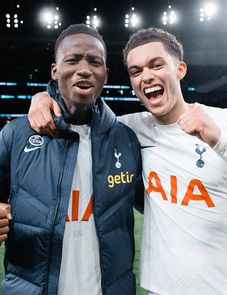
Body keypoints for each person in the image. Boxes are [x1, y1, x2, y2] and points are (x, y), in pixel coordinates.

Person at [26, 26, 227, 295]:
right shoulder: (131, 130)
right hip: (158, 289)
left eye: (156, 65)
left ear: (180, 69)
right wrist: (43, 97)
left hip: (222, 288)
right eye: (136, 71)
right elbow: (82, 115)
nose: (146, 76)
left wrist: (218, 139)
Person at [0, 24, 144, 295]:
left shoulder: (126, 139)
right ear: (55, 71)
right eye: (73, 59)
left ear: (105, 74)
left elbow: (156, 205)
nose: (85, 69)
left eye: (94, 62)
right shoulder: (16, 134)